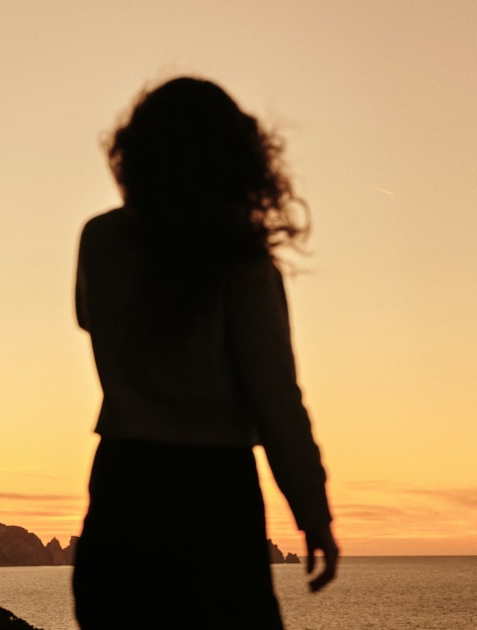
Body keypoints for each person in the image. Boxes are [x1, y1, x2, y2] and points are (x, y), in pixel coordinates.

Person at [72, 77, 338, 629]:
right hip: (213, 495)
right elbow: (275, 397)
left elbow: (86, 318)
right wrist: (312, 513)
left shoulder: (101, 239)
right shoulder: (240, 261)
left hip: (123, 485)